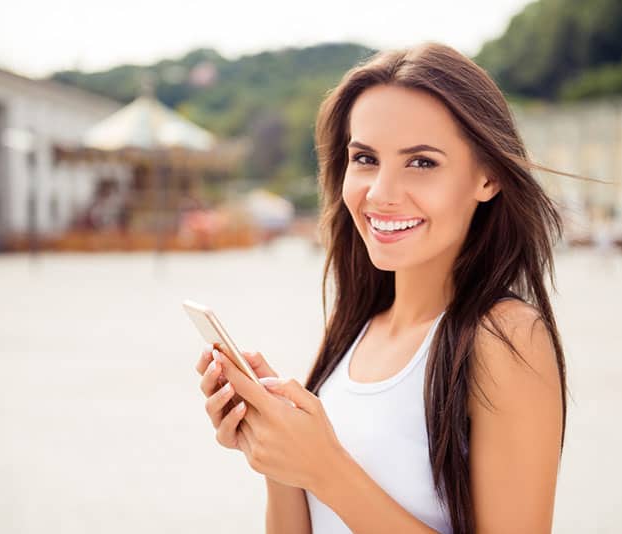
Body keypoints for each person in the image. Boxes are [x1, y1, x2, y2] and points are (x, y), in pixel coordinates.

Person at [194, 42, 567, 534]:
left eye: (421, 163)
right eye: (365, 158)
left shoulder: (505, 338)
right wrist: (279, 456)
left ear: (489, 177)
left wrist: (325, 470)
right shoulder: (354, 330)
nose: (381, 194)